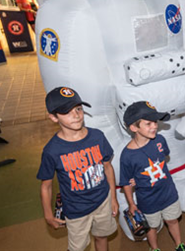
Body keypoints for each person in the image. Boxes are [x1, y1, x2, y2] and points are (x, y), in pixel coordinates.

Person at [37, 87, 118, 251]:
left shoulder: (97, 137)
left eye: (79, 109)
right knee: (77, 247)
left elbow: (108, 167)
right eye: (67, 111)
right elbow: (46, 186)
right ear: (53, 117)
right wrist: (48, 215)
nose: (76, 115)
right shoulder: (52, 150)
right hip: (76, 209)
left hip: (103, 201)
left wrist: (113, 198)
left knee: (102, 236)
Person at [119, 102, 185, 251]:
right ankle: (155, 248)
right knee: (152, 227)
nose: (155, 126)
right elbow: (126, 182)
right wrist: (131, 203)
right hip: (148, 200)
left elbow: (163, 157)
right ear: (133, 128)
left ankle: (179, 245)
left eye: (155, 122)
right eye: (148, 123)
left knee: (172, 220)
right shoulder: (127, 156)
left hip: (168, 193)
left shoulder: (160, 140)